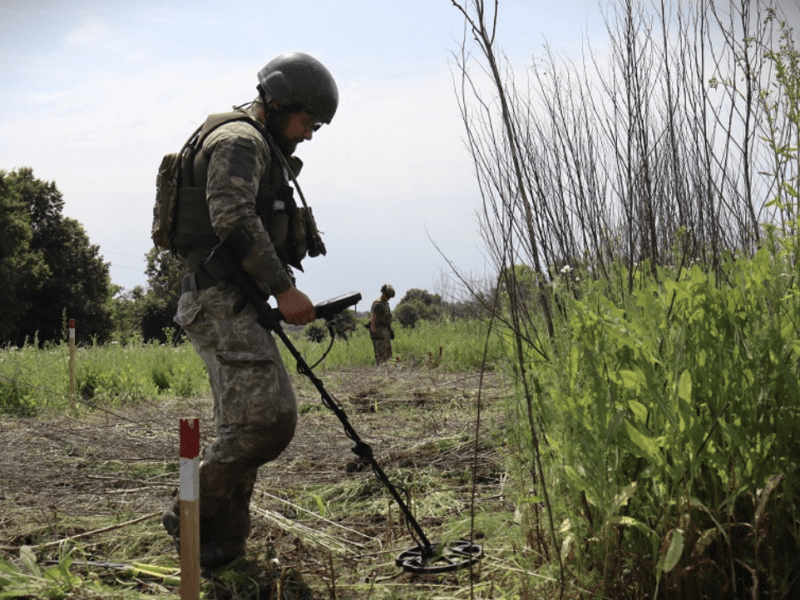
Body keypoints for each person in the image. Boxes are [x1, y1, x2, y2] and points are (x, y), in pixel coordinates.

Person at [160, 52, 338, 570]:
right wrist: (283, 289)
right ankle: (187, 508)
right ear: (277, 102)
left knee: (243, 424)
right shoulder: (239, 141)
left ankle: (222, 544)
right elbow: (231, 213)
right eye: (307, 121)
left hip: (229, 295)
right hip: (218, 297)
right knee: (270, 422)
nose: (308, 134)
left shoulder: (255, 141)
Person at [369, 284, 395, 365]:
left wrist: (390, 331)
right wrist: (374, 333)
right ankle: (380, 374)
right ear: (384, 294)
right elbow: (373, 319)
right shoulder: (378, 304)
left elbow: (387, 319)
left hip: (385, 332)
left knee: (388, 354)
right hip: (378, 332)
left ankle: (388, 373)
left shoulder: (385, 304)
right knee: (381, 355)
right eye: (388, 296)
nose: (388, 298)